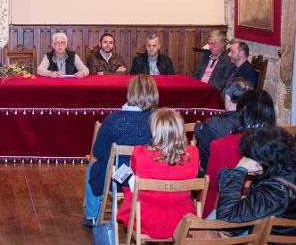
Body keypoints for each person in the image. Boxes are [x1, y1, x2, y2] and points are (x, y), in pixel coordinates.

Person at [82, 75, 158, 227]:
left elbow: (98, 151)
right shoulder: (158, 120)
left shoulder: (114, 119)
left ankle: (91, 215)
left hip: (117, 179)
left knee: (93, 167)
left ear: (130, 93)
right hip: (150, 177)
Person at [117, 108, 200, 239]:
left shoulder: (140, 153)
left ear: (154, 130)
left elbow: (134, 186)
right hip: (182, 220)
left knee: (127, 182)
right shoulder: (193, 154)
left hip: (146, 219)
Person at [203, 89, 276, 217]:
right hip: (266, 212)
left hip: (224, 211)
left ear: (241, 113)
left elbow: (211, 185)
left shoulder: (220, 145)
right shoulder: (279, 145)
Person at [216, 126, 296, 236]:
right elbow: (255, 210)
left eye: (250, 157)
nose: (246, 160)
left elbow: (226, 217)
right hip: (259, 230)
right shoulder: (283, 170)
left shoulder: (277, 190)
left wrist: (239, 170)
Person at [194, 77, 253, 174]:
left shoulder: (212, 125)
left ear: (228, 98)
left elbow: (200, 138)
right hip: (246, 177)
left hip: (213, 178)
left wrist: (197, 127)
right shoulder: (257, 124)